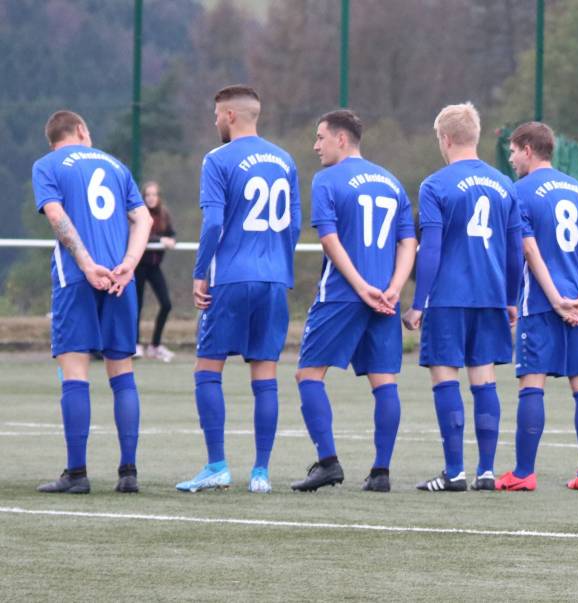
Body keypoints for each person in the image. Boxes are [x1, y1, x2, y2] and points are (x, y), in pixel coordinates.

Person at [176, 85, 301, 494]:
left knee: (207, 369)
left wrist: (200, 273)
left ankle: (217, 465)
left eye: (216, 115)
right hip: (273, 278)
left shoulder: (217, 159)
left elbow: (213, 224)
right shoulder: (284, 160)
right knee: (264, 371)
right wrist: (279, 265)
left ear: (230, 115)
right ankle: (261, 474)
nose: (214, 122)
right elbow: (295, 225)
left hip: (230, 277)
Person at [290, 110, 417, 493]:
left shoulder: (327, 179)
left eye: (320, 138)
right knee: (384, 382)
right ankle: (381, 473)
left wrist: (361, 286)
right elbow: (408, 242)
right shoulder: (391, 181)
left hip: (344, 294)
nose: (315, 146)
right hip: (385, 297)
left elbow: (330, 240)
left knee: (308, 375)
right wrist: (394, 288)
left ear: (341, 140)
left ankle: (328, 463)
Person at [403, 102, 523, 493]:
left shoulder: (436, 185)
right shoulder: (505, 184)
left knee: (445, 376)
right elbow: (513, 250)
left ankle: (454, 471)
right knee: (484, 380)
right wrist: (511, 298)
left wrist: (419, 302)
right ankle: (486, 471)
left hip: (450, 298)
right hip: (490, 296)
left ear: (446, 138)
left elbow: (431, 249)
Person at [32, 110, 152, 494]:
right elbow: (143, 219)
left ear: (53, 138)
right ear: (82, 130)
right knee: (122, 373)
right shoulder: (115, 165)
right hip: (120, 278)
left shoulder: (46, 165)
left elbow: (56, 214)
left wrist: (85, 263)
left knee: (76, 373)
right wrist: (129, 266)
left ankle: (77, 474)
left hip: (78, 278)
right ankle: (128, 472)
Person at [498, 121, 578, 492]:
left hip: (543, 305)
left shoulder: (519, 192)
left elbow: (529, 249)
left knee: (532, 383)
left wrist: (557, 298)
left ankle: (524, 472)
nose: (511, 158)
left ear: (528, 149)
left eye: (513, 150)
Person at [134, 181, 177, 362]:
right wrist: (161, 239)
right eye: (148, 195)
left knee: (166, 304)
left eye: (154, 194)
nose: (151, 198)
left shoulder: (164, 214)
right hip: (138, 266)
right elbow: (140, 234)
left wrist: (171, 240)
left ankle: (155, 345)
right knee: (136, 305)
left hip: (154, 266)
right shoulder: (138, 213)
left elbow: (172, 234)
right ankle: (134, 344)